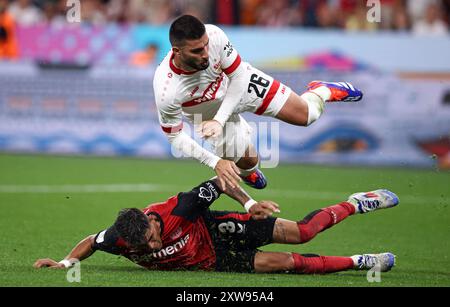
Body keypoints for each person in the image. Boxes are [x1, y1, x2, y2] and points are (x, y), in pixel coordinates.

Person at [153, 15, 363, 192]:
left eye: (206, 45)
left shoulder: (215, 35)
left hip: (238, 85)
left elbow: (239, 76)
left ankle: (323, 90)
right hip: (204, 110)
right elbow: (174, 135)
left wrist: (220, 120)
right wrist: (214, 161)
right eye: (197, 51)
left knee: (306, 116)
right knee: (248, 162)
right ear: (177, 51)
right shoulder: (166, 88)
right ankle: (249, 172)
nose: (206, 53)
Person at [34, 178, 398, 274]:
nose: (153, 245)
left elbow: (220, 181)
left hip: (216, 229)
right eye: (144, 246)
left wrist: (250, 203)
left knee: (302, 233)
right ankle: (362, 262)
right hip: (212, 261)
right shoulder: (120, 237)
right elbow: (90, 241)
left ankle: (355, 203)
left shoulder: (182, 206)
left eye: (152, 236)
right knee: (283, 264)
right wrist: (65, 263)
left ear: (151, 220)